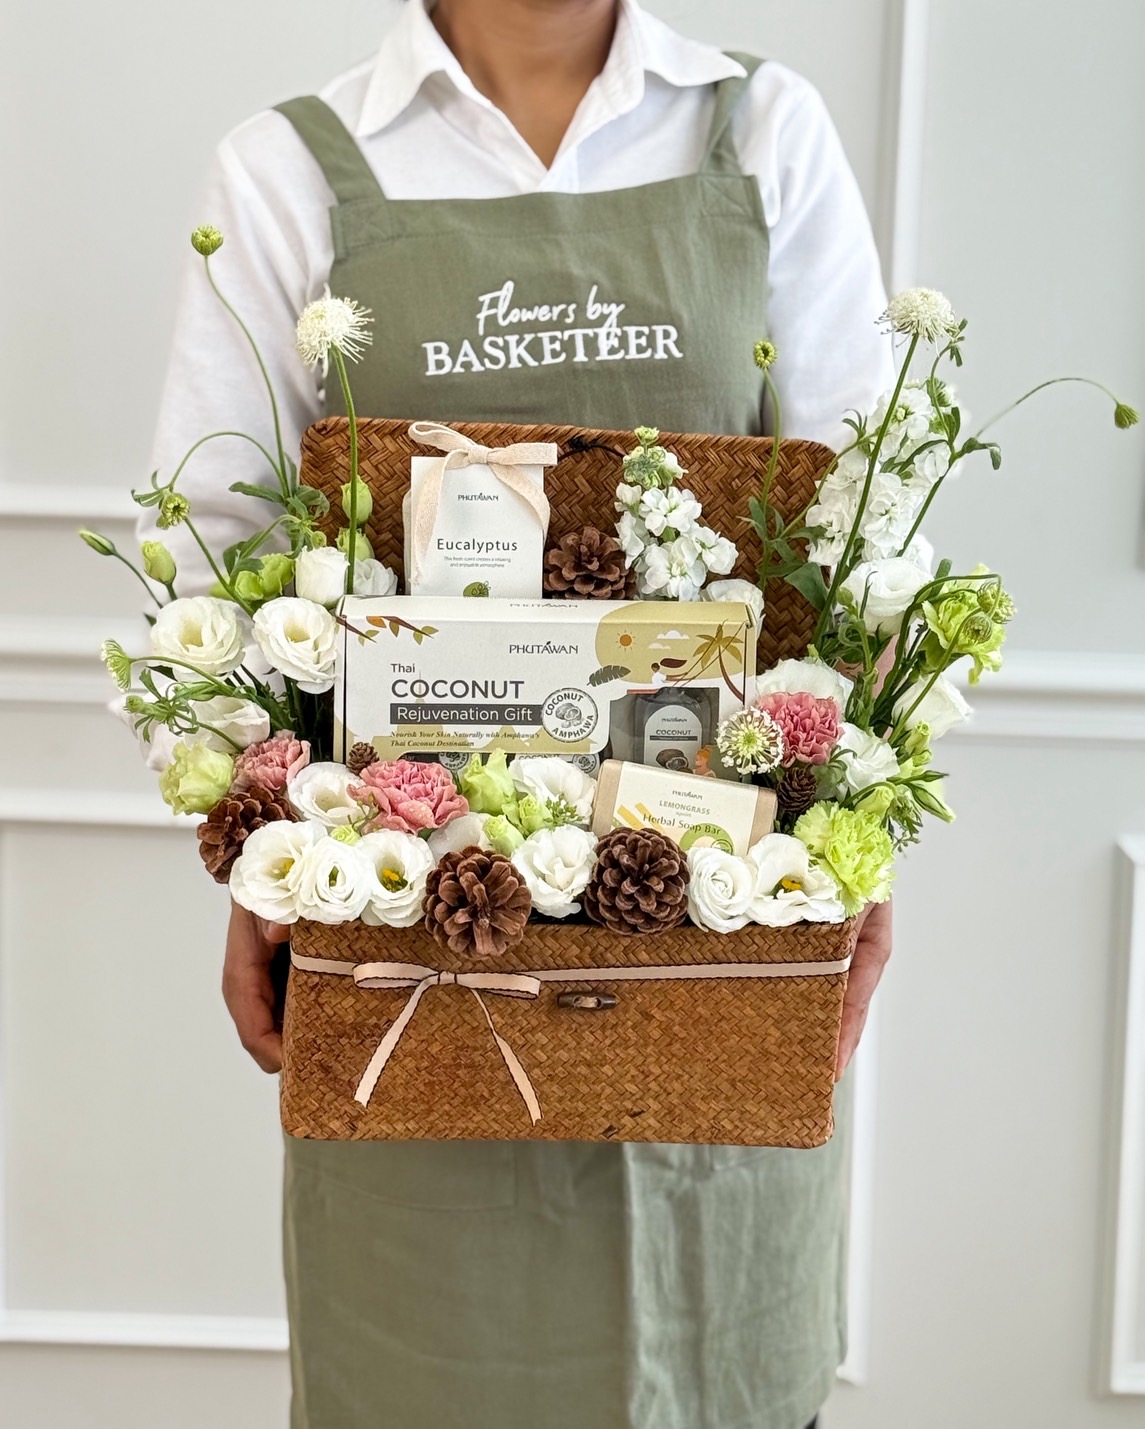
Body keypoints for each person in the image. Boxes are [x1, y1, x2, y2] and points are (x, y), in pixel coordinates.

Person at [143, 2, 895, 1426]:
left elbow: (856, 530)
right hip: (410, 942)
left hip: (713, 936)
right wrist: (256, 840)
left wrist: (858, 836)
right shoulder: (292, 167)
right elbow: (210, 555)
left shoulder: (760, 136)